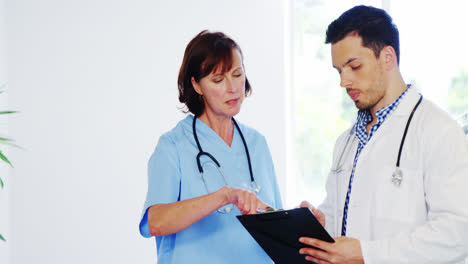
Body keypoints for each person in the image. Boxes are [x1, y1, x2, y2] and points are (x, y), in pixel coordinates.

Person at [298, 5, 468, 263]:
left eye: (354, 66)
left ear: (388, 57)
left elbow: (457, 233)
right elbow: (342, 218)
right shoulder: (346, 141)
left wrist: (367, 254)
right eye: (338, 71)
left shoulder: (439, 132)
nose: (344, 82)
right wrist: (321, 224)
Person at [138, 30, 282, 263]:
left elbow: (274, 221)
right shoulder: (173, 146)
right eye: (218, 80)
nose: (233, 88)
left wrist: (304, 219)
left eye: (237, 74)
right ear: (196, 85)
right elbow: (157, 222)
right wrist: (224, 196)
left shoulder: (256, 143)